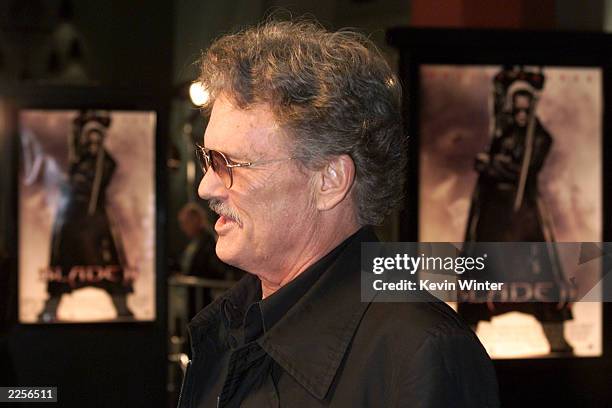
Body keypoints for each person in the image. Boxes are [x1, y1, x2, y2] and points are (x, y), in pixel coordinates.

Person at [179, 20, 499, 407]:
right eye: (208, 159)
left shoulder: (419, 353)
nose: (206, 188)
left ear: (330, 180)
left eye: (229, 164)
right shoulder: (229, 325)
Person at [460, 68, 573, 353]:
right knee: (481, 272)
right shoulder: (503, 130)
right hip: (494, 215)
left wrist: (490, 165)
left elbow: (523, 170)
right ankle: (464, 341)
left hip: (523, 214)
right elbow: (496, 100)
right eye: (516, 103)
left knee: (538, 273)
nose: (520, 111)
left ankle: (557, 342)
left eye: (526, 103)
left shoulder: (540, 138)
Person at [38, 110, 133, 322]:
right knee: (63, 264)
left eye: (96, 136)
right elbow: (74, 148)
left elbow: (100, 178)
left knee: (107, 263)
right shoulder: (79, 160)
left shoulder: (104, 163)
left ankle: (122, 308)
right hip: (73, 220)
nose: (92, 140)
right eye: (89, 135)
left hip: (94, 220)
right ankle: (51, 307)